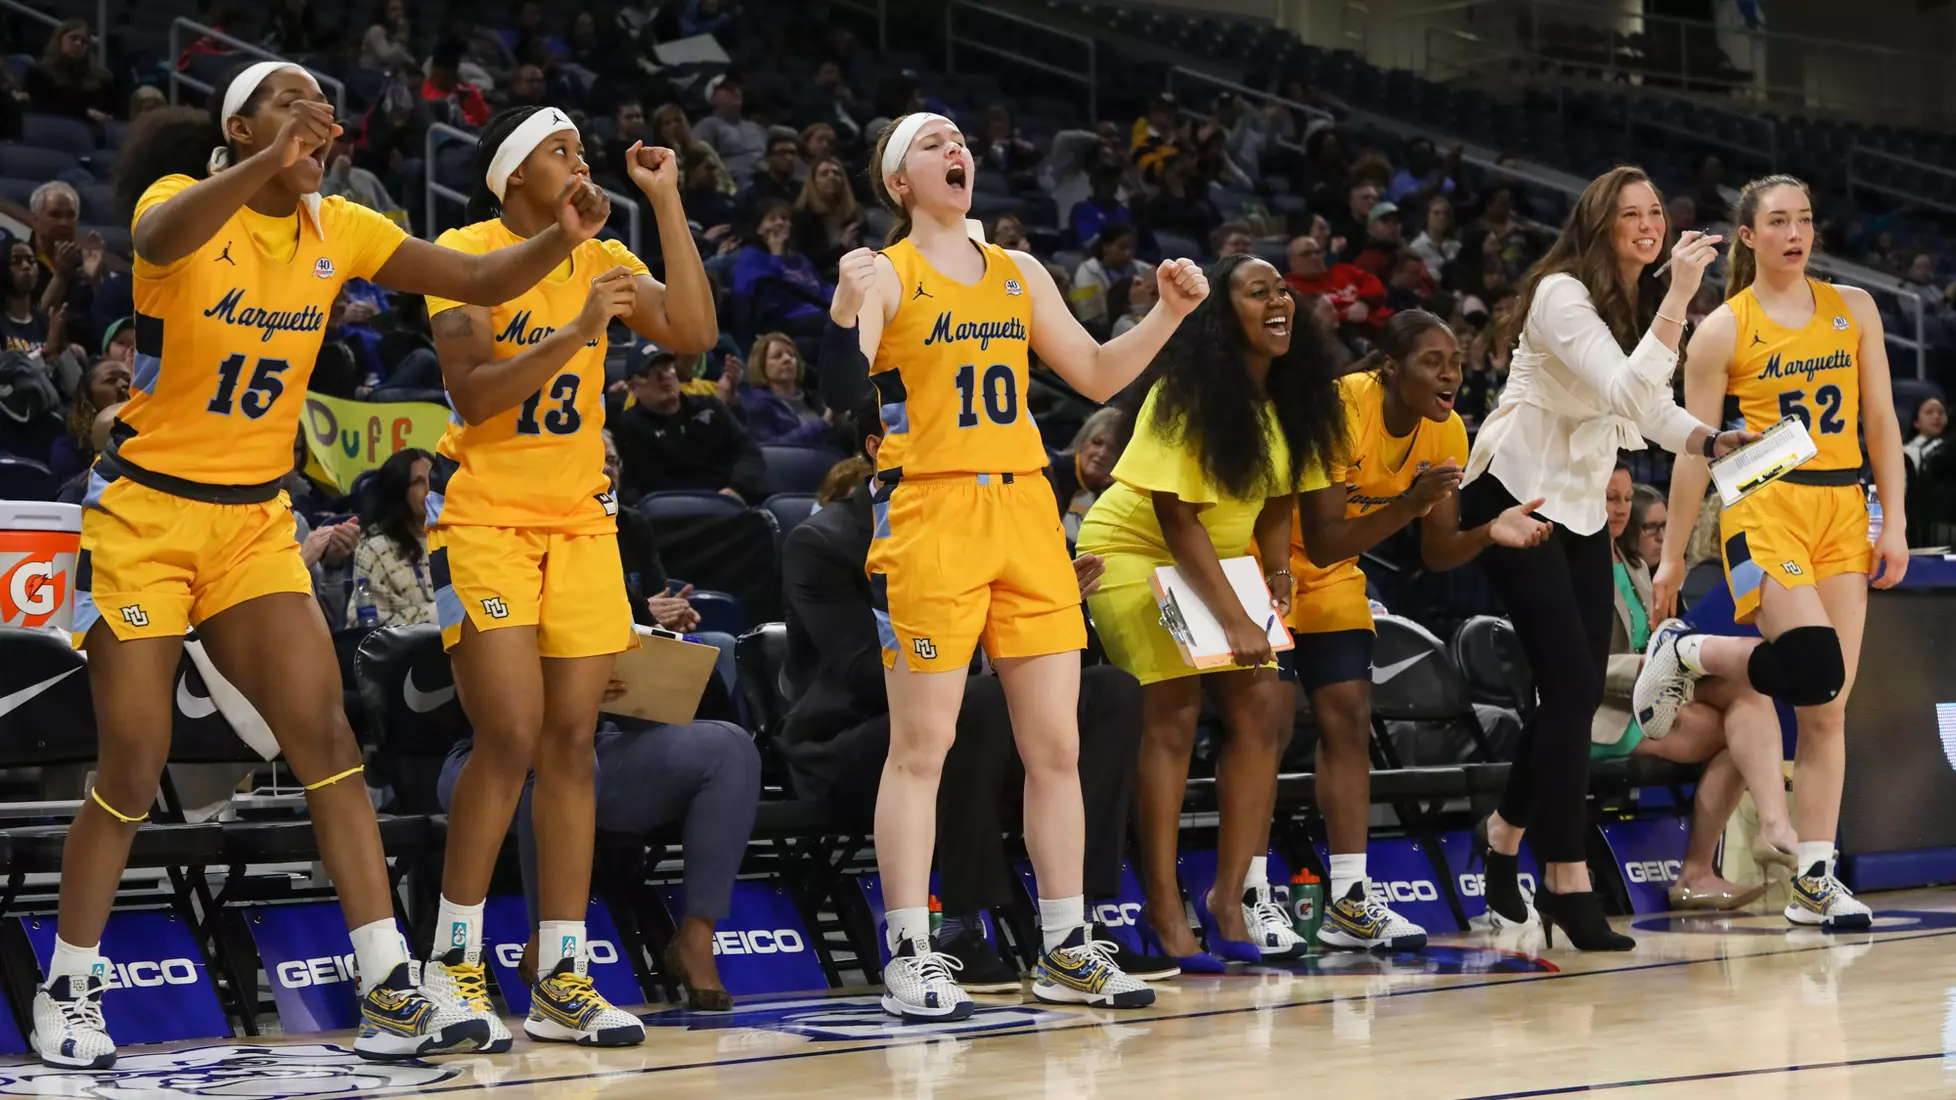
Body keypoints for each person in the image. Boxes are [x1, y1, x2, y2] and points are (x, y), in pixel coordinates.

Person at [40, 60, 614, 1068]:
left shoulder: (338, 226)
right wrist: (268, 156)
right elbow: (155, 240)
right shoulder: (182, 201)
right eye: (288, 103)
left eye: (322, 107)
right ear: (239, 127)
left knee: (328, 738)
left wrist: (560, 240)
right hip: (144, 514)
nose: (318, 114)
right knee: (132, 757)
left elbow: (477, 280)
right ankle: (69, 987)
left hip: (252, 520)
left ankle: (390, 984)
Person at [820, 111, 1208, 1018]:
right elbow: (841, 392)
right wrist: (842, 307)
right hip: (931, 512)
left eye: (959, 140)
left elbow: (1098, 375)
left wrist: (1170, 313)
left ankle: (1066, 945)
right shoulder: (885, 272)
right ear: (898, 183)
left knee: (1058, 746)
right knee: (923, 747)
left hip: (1026, 506)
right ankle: (910, 953)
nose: (954, 151)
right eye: (931, 145)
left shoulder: (1019, 271)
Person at [421, 104, 715, 1048]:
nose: (581, 163)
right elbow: (474, 392)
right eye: (561, 151)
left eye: (582, 151)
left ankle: (560, 974)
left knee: (573, 745)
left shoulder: (606, 256)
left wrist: (665, 201)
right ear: (515, 175)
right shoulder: (462, 253)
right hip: (483, 518)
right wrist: (580, 326)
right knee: (507, 733)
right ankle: (451, 964)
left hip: (582, 522)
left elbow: (693, 331)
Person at [780, 397, 1168, 992]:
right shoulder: (823, 540)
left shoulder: (999, 519)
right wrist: (987, 640)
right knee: (975, 704)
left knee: (1109, 692)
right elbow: (862, 672)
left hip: (975, 721)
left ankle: (1077, 926)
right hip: (854, 738)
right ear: (881, 448)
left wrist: (1045, 613)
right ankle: (959, 925)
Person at [1460, 165, 1751, 952]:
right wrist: (1679, 296)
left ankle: (1504, 833)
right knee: (1569, 685)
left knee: (1580, 690)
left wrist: (1708, 440)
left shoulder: (1633, 304)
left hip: (1582, 504)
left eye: (1655, 211)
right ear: (1599, 225)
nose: (1649, 225)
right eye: (1630, 214)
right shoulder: (1561, 294)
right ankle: (1565, 878)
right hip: (1515, 493)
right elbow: (1625, 392)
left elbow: (1649, 407)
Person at [1644, 174, 1909, 932]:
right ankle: (1690, 649)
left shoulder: (1854, 308)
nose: (1796, 234)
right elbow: (1694, 453)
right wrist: (1670, 558)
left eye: (1806, 220)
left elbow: (1882, 419)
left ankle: (1815, 880)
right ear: (1749, 235)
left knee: (1828, 706)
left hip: (1842, 505)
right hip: (1762, 501)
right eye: (1779, 222)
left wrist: (1892, 521)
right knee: (1815, 665)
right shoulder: (1724, 329)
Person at [1075, 254, 1336, 969]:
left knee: (1265, 709)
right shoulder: (1183, 394)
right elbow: (1176, 517)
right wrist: (1236, 620)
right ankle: (1163, 906)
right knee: (1175, 711)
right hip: (1133, 551)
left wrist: (1276, 574)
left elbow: (1280, 499)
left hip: (1216, 563)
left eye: (1282, 290)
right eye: (1258, 292)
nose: (1278, 301)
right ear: (1224, 314)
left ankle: (1230, 896)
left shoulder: (1293, 396)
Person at [1283, 310, 1548, 953]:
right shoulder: (1343, 408)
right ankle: (1250, 893)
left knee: (1350, 716)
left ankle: (1349, 899)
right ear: (1390, 368)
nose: (1450, 374)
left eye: (1455, 362)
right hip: (1267, 566)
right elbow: (1321, 538)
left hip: (1332, 578)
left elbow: (1437, 551)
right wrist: (1408, 503)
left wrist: (1488, 532)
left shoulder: (1447, 430)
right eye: (1433, 361)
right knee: (1264, 726)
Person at [610, 345, 767, 503]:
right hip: (666, 512)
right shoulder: (627, 427)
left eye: (667, 367)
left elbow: (749, 452)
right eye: (648, 373)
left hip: (727, 502)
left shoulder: (711, 406)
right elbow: (628, 485)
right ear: (633, 388)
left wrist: (736, 489)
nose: (663, 376)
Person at [344, 447, 435, 627]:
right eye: (418, 482)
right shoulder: (375, 549)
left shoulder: (459, 539)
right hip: (404, 644)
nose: (430, 490)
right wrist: (434, 614)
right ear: (399, 491)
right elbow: (370, 624)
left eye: (434, 479)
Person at [47, 357, 129, 485]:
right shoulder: (67, 448)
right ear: (88, 395)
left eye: (129, 380)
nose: (124, 384)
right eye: (110, 380)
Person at [738, 331, 829, 445]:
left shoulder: (814, 400)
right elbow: (770, 448)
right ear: (761, 365)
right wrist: (823, 424)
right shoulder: (756, 405)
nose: (787, 359)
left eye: (791, 355)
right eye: (777, 356)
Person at [1050, 406, 1120, 541]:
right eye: (1097, 442)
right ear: (1083, 440)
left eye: (1113, 449)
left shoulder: (1112, 496)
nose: (1102, 453)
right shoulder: (1049, 470)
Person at [25, 20, 116, 124]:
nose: (78, 43)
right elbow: (37, 107)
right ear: (59, 40)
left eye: (83, 41)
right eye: (73, 38)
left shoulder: (102, 79)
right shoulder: (38, 73)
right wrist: (85, 113)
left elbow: (114, 113)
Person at [792, 155, 864, 276]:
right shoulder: (801, 216)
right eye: (824, 173)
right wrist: (841, 247)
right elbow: (806, 261)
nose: (831, 176)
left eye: (836, 173)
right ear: (813, 181)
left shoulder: (852, 214)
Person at [358, 0, 418, 73]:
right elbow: (386, 57)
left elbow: (404, 58)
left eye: (401, 9)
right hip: (369, 75)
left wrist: (411, 61)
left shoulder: (395, 33)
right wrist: (400, 39)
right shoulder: (375, 30)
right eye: (394, 9)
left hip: (385, 76)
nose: (399, 13)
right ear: (385, 12)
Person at [1905, 395, 1945, 473]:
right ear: (1916, 422)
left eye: (1941, 412)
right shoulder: (1906, 451)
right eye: (1929, 412)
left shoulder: (1949, 446)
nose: (1936, 416)